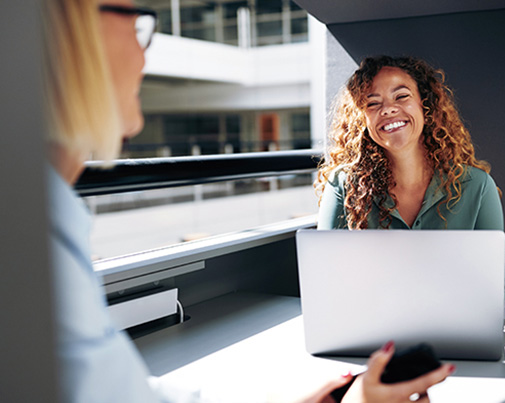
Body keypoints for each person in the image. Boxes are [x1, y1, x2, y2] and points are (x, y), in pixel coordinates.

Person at [42, 1, 454, 402]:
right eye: (134, 22)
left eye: (402, 97)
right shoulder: (36, 233)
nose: (144, 50)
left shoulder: (48, 218)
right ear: (62, 35)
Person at [316, 56, 504, 232]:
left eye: (401, 96)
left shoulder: (478, 186)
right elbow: (324, 263)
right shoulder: (343, 185)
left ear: (426, 104)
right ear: (361, 120)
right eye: (373, 103)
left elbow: (488, 266)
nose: (388, 109)